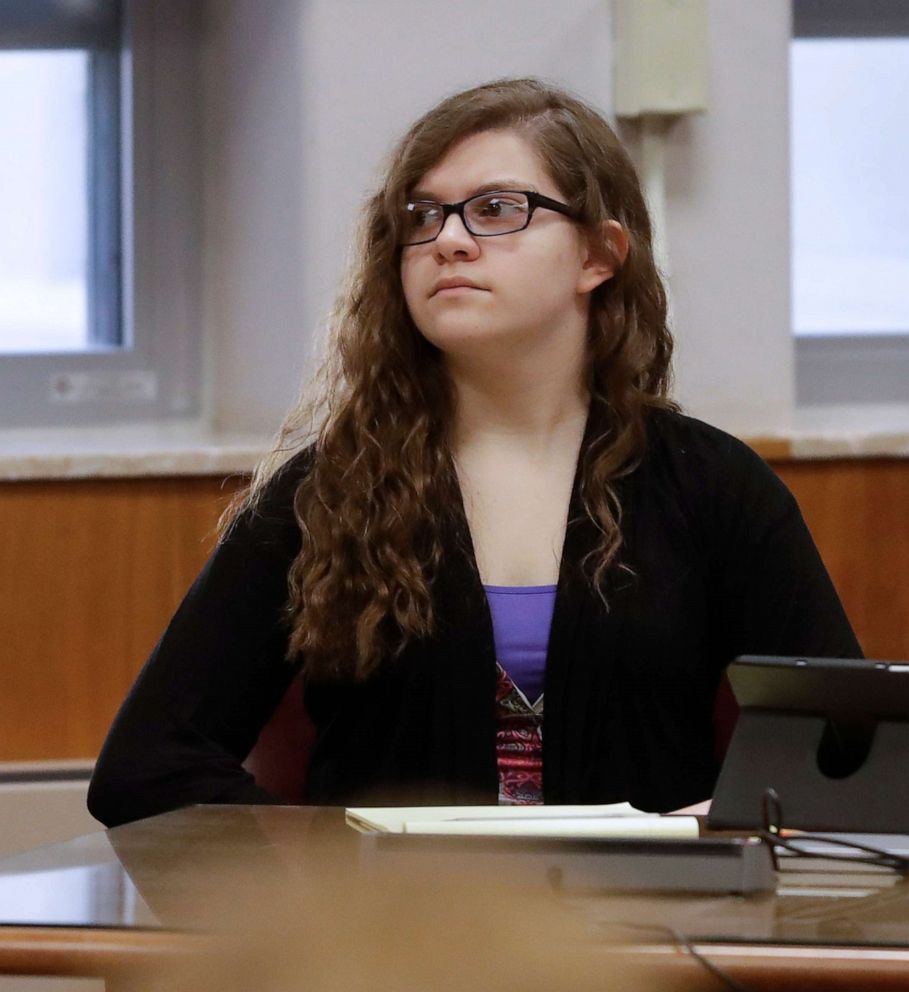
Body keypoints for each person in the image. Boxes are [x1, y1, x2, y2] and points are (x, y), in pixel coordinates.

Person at [88, 78, 861, 828]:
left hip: (655, 937)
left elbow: (844, 754)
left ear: (598, 255)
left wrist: (719, 828)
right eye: (421, 217)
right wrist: (331, 875)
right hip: (395, 942)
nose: (447, 240)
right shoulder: (324, 492)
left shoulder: (715, 488)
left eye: (495, 210)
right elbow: (149, 768)